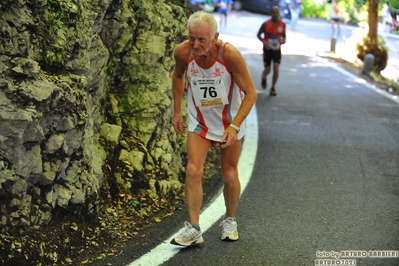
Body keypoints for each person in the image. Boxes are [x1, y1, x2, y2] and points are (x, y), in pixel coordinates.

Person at [170, 10, 257, 246]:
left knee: (229, 173)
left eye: (202, 39)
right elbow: (178, 77)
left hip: (230, 121)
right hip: (200, 121)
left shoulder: (229, 55)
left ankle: (230, 219)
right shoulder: (182, 52)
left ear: (215, 36)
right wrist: (177, 111)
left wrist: (235, 126)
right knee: (193, 170)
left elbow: (251, 94)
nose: (196, 45)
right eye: (192, 38)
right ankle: (194, 229)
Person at [257, 6, 286, 96]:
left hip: (277, 50)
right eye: (273, 11)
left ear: (279, 13)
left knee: (276, 69)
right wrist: (264, 42)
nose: (275, 13)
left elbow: (284, 37)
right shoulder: (266, 24)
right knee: (268, 70)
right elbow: (258, 35)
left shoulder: (283, 24)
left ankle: (273, 87)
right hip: (267, 50)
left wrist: (283, 41)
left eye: (277, 11)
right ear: (270, 13)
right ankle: (264, 76)